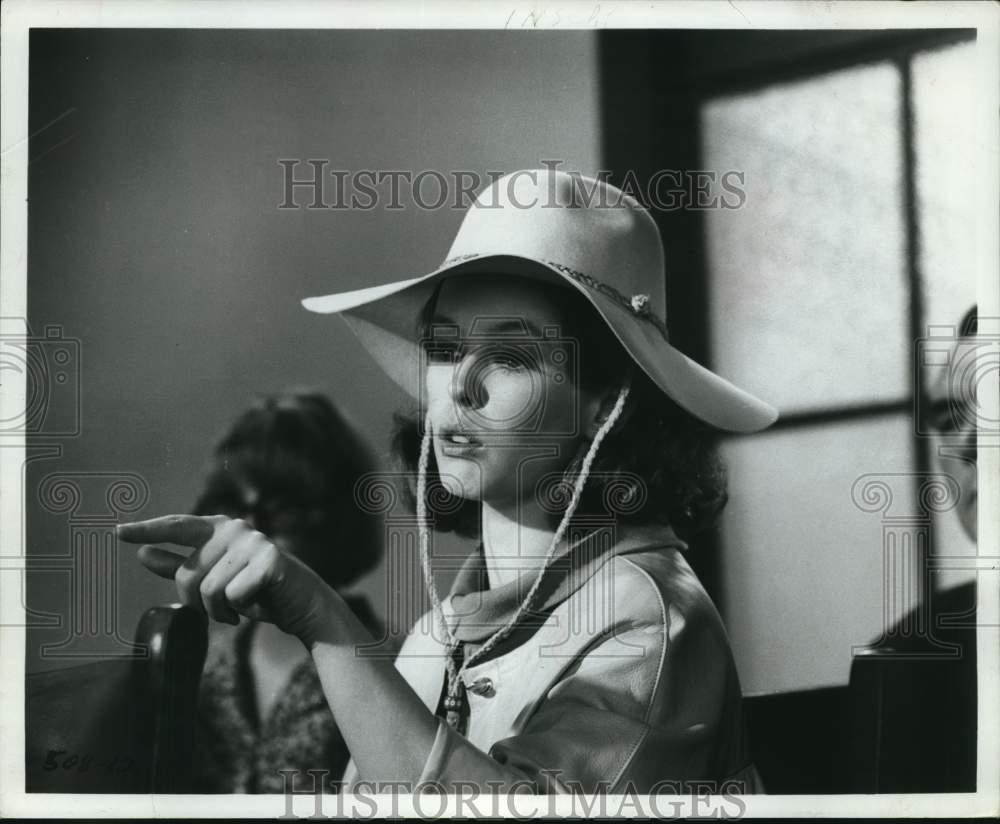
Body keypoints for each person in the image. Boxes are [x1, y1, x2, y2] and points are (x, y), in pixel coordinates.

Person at [119, 170, 779, 794]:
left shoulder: (652, 617)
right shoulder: (439, 635)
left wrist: (323, 621)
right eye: (442, 348)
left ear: (604, 403)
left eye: (513, 357)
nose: (459, 387)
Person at [188, 391, 383, 793]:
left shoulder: (396, 666)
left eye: (281, 508)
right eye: (234, 509)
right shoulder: (201, 668)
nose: (250, 533)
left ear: (338, 519)